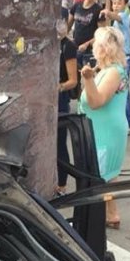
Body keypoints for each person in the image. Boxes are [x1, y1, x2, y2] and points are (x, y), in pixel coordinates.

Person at [78, 26, 129, 229]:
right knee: (106, 176)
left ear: (104, 48)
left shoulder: (113, 73)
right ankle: (111, 214)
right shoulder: (107, 70)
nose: (93, 48)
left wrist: (88, 79)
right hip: (103, 130)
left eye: (96, 44)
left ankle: (99, 218)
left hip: (104, 133)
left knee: (100, 176)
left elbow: (96, 102)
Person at [101, 0, 130, 132]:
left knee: (123, 91)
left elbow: (116, 16)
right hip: (117, 57)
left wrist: (107, 10)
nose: (116, 6)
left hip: (125, 58)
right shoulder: (115, 19)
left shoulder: (124, 15)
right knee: (118, 90)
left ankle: (128, 123)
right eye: (114, 3)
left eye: (119, 3)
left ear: (125, 4)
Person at [56, 18, 77, 194]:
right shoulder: (45, 45)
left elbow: (73, 81)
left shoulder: (67, 46)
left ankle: (62, 184)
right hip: (45, 99)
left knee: (59, 142)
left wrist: (59, 87)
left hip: (60, 99)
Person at [67, 0, 103, 70]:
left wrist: (87, 44)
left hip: (90, 49)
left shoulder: (98, 10)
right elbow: (68, 25)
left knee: (89, 75)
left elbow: (102, 34)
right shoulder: (76, 6)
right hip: (75, 44)